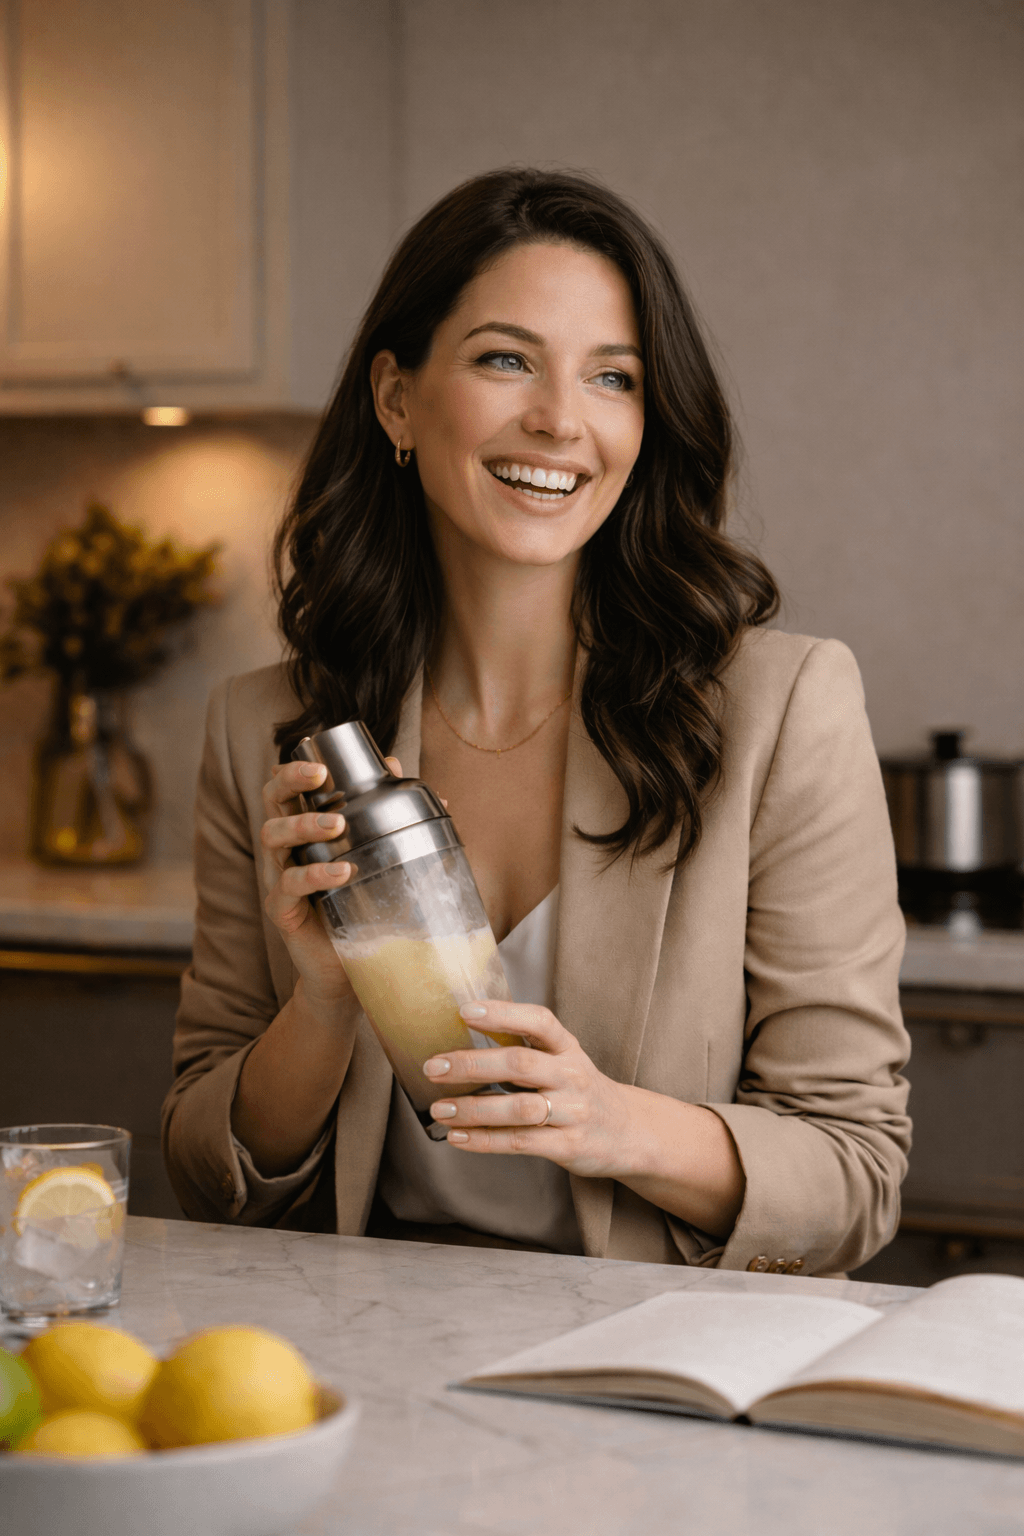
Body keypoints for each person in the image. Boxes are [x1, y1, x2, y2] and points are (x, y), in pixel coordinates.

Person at [163, 168, 910, 1275]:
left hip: (646, 1367)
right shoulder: (266, 728)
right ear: (396, 399)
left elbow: (856, 1174)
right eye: (506, 359)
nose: (561, 420)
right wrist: (319, 1005)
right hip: (374, 1353)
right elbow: (208, 1167)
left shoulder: (780, 709)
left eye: (612, 378)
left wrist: (614, 1125)